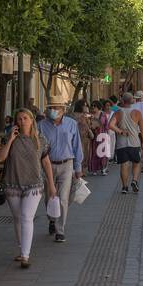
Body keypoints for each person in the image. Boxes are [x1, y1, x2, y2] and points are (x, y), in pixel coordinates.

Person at [0, 108, 56, 266]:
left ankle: (25, 256)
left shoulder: (40, 139)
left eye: (25, 118)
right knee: (17, 218)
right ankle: (21, 248)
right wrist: (10, 139)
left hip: (34, 185)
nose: (22, 121)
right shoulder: (10, 138)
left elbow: (46, 162)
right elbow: (0, 157)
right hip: (12, 184)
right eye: (19, 119)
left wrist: (51, 184)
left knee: (26, 217)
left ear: (32, 120)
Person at [38, 99, 82, 244]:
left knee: (63, 198)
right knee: (49, 197)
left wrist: (78, 167)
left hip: (66, 164)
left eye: (56, 107)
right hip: (48, 165)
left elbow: (77, 146)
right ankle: (52, 219)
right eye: (51, 107)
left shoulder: (71, 124)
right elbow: (38, 148)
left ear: (63, 109)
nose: (53, 110)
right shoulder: (41, 126)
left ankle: (60, 230)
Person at [109, 92, 143, 194]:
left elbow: (110, 125)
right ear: (132, 101)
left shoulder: (118, 112)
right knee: (136, 163)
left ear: (122, 100)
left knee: (124, 165)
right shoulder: (137, 113)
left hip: (121, 143)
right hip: (134, 142)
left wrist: (120, 131)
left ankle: (124, 187)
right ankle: (134, 180)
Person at [89, 100, 111, 176]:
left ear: (98, 106)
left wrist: (107, 136)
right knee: (95, 153)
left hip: (102, 136)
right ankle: (94, 169)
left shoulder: (103, 114)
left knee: (103, 153)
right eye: (92, 106)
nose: (93, 107)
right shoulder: (90, 115)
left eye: (94, 106)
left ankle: (103, 169)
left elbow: (107, 126)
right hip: (94, 136)